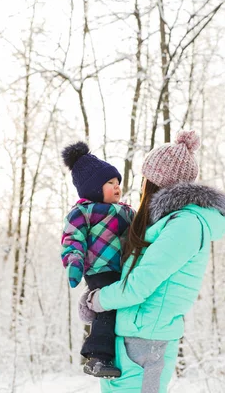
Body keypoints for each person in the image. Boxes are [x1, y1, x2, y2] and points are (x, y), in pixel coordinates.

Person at [84, 130, 225, 392]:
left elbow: (139, 286)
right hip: (126, 340)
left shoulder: (186, 225)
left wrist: (97, 301)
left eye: (145, 179)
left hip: (146, 344)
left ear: (154, 182)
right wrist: (94, 298)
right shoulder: (161, 224)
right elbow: (127, 278)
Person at [60, 141, 135, 379]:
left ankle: (117, 353)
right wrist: (74, 263)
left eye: (118, 183)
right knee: (107, 309)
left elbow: (141, 230)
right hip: (100, 269)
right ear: (92, 188)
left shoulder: (126, 211)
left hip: (123, 269)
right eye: (110, 183)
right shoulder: (83, 212)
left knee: (120, 308)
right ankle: (97, 358)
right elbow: (73, 238)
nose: (117, 187)